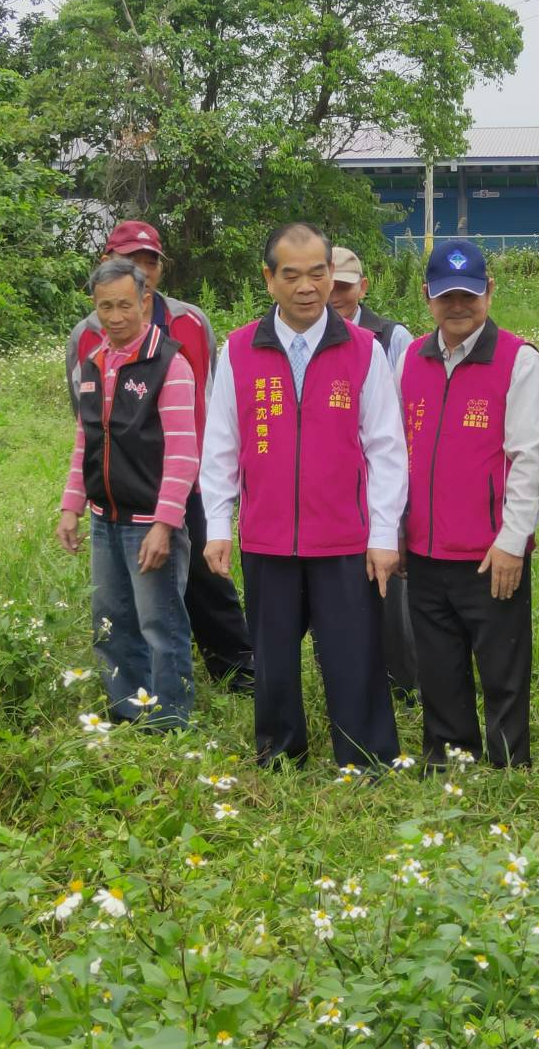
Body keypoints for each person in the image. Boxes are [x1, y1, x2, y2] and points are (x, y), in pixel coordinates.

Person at [200, 222, 406, 768]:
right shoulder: (240, 349)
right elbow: (221, 444)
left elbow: (387, 449)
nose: (308, 287)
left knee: (353, 653)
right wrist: (219, 526)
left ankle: (365, 758)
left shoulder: (364, 350)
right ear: (269, 280)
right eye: (292, 275)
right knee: (273, 658)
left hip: (344, 536)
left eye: (319, 273)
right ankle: (280, 752)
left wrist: (384, 535)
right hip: (266, 537)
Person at [67, 220, 256, 693]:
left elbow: (210, 398)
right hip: (118, 488)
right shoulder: (87, 341)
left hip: (183, 479)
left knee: (203, 582)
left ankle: (234, 670)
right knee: (121, 604)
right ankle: (131, 696)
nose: (143, 270)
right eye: (132, 261)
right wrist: (75, 499)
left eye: (150, 262)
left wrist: (206, 475)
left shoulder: (190, 324)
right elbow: (87, 423)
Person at [396, 240, 539, 767]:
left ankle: (508, 765)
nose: (459, 306)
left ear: (489, 293)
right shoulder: (411, 357)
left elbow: (529, 459)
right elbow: (396, 452)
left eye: (470, 296)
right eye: (446, 296)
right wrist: (396, 530)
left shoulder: (518, 360)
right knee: (438, 664)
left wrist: (511, 541)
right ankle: (449, 756)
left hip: (490, 553)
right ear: (428, 297)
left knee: (502, 667)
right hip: (426, 548)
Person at [56, 258, 198, 729]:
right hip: (104, 517)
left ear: (144, 302)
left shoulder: (169, 363)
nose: (115, 317)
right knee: (111, 623)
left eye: (124, 305)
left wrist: (165, 523)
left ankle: (170, 721)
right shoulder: (95, 361)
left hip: (148, 523)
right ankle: (126, 713)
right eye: (104, 307)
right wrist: (71, 506)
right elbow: (86, 439)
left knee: (160, 625)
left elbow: (183, 453)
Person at [329, 245, 418, 701]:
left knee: (389, 591)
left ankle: (402, 683)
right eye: (332, 286)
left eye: (345, 288)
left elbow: (399, 422)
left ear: (362, 287)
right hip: (334, 492)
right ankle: (352, 679)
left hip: (380, 485)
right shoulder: (310, 335)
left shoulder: (390, 337)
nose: (336, 297)